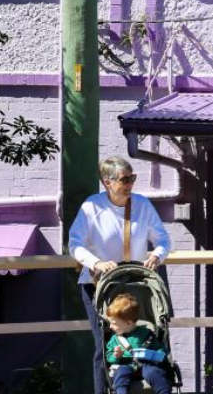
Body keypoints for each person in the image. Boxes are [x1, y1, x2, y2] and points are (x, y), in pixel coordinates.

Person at [68, 156, 172, 394]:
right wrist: (96, 262)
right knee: (103, 346)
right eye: (125, 179)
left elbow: (163, 239)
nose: (130, 184)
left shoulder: (142, 205)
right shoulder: (91, 207)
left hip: (135, 286)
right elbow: (75, 244)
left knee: (146, 336)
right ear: (107, 182)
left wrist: (157, 255)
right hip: (98, 285)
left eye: (132, 178)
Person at [104, 293, 173, 394]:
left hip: (147, 364)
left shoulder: (146, 333)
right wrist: (115, 355)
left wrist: (158, 355)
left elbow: (160, 349)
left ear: (129, 322)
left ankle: (164, 391)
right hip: (126, 365)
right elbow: (109, 356)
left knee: (155, 373)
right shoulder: (115, 339)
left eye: (113, 323)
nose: (110, 327)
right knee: (121, 373)